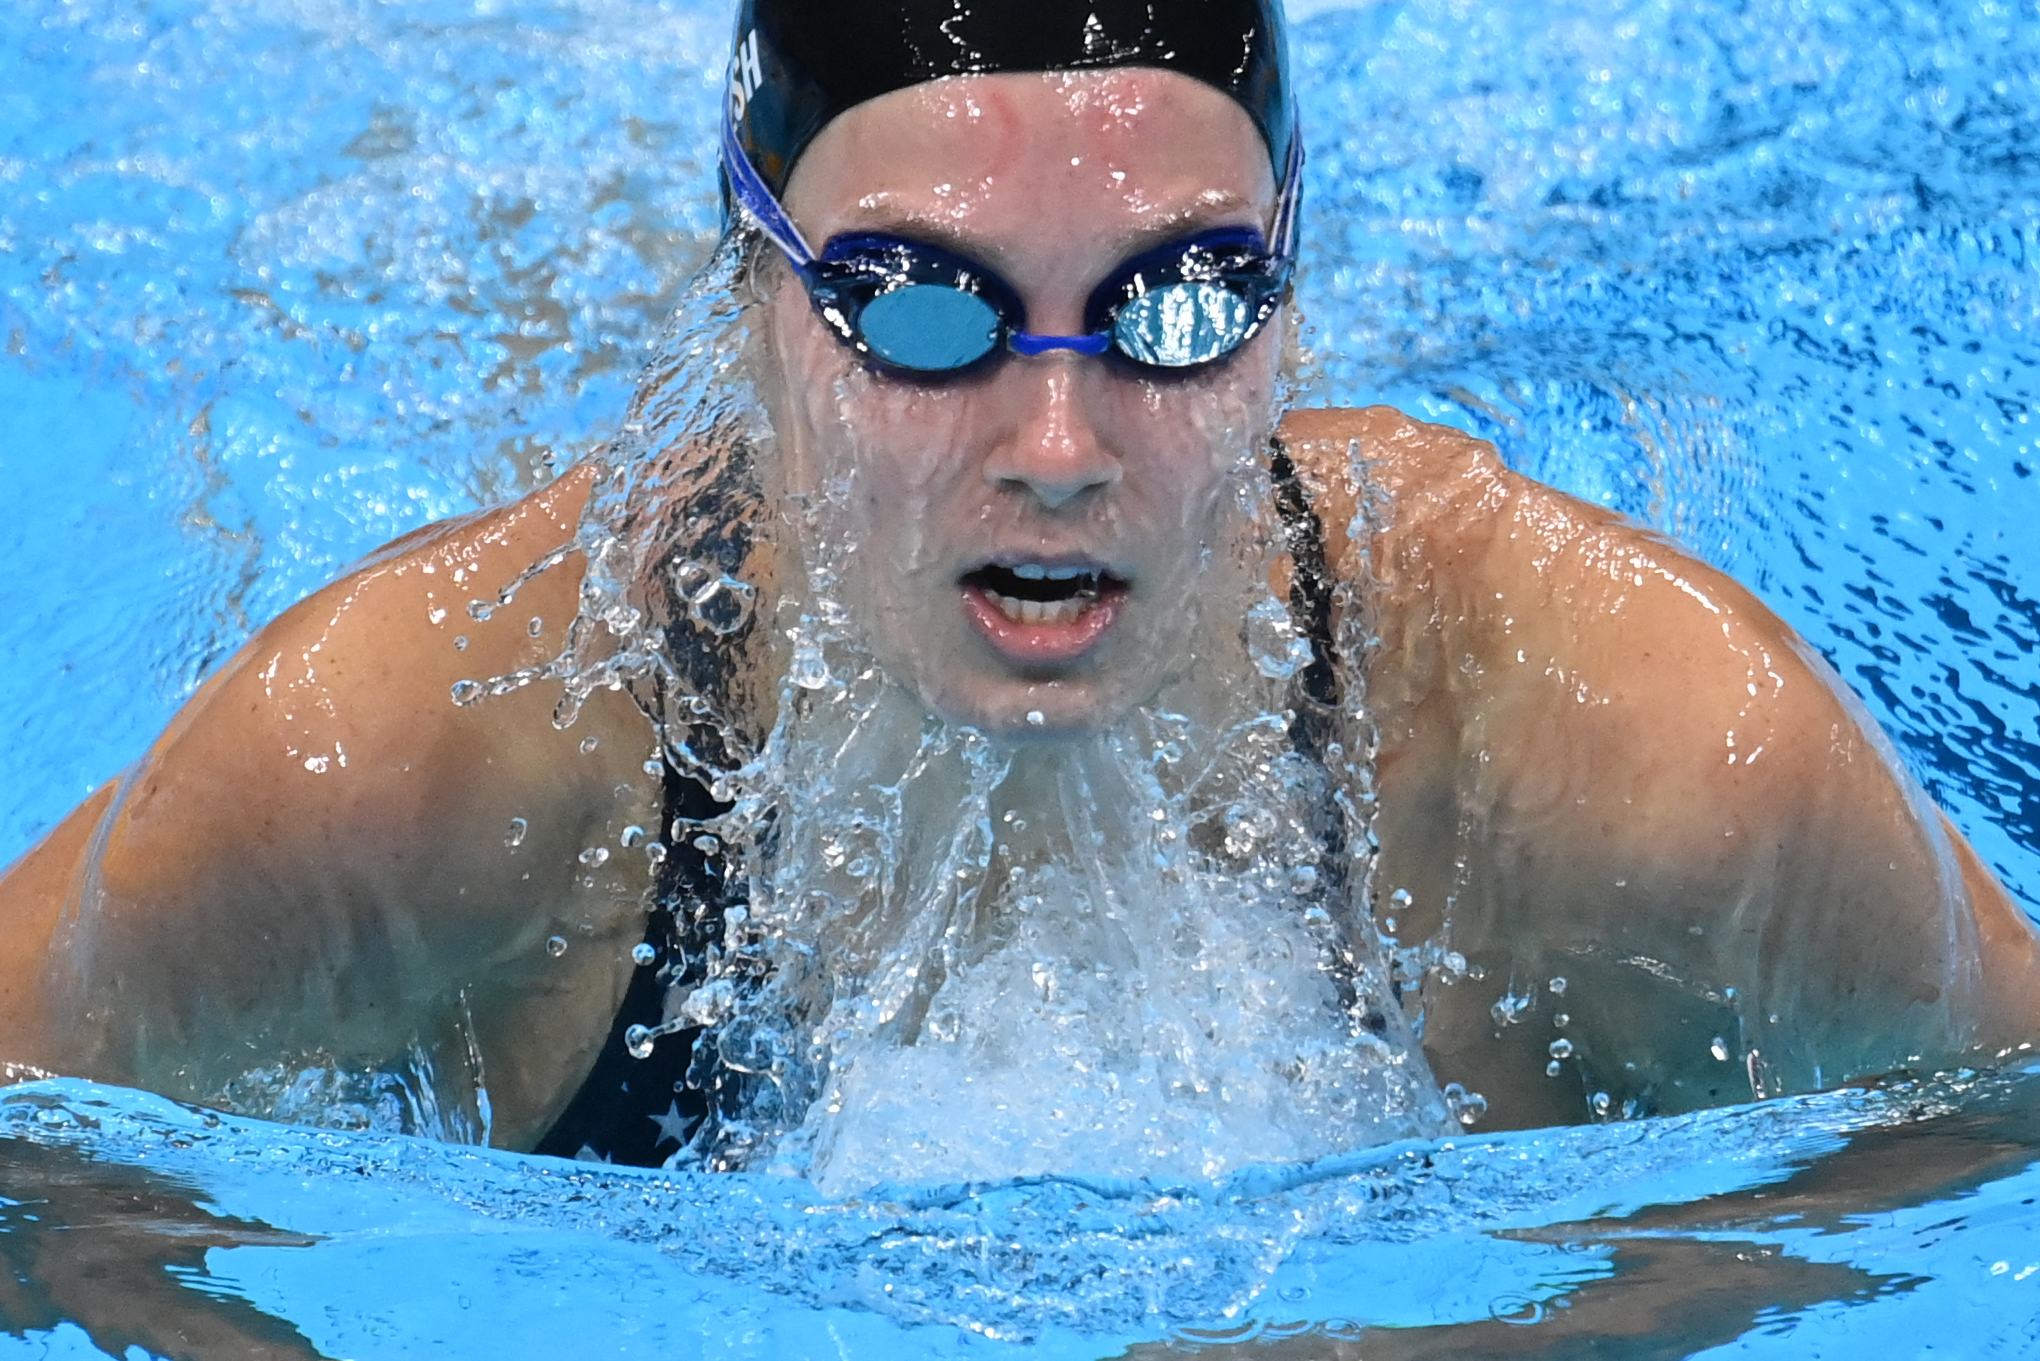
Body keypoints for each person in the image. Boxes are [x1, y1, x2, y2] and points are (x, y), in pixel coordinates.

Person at [1, 0, 2035, 1178]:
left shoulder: (1637, 748)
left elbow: (1991, 1133)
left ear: (1293, 310)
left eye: (1178, 305)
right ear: (750, 305)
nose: (1059, 442)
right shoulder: (416, 750)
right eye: (916, 310)